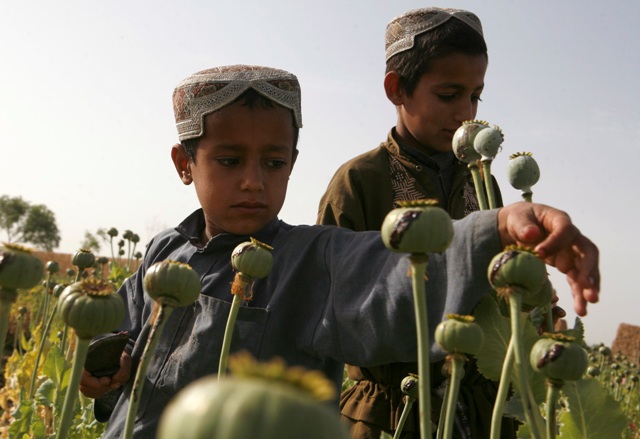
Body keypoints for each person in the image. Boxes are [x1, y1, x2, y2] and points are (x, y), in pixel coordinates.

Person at [78, 65, 600, 439]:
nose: (254, 181)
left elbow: (398, 274)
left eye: (275, 162)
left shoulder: (311, 260)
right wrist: (103, 369)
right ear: (184, 163)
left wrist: (501, 227)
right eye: (231, 160)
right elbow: (117, 331)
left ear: (293, 162)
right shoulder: (164, 252)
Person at [317, 7, 512, 438]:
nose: (467, 113)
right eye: (448, 95)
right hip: (386, 415)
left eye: (476, 96)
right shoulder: (358, 182)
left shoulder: (484, 183)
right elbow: (330, 310)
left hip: (481, 412)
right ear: (396, 88)